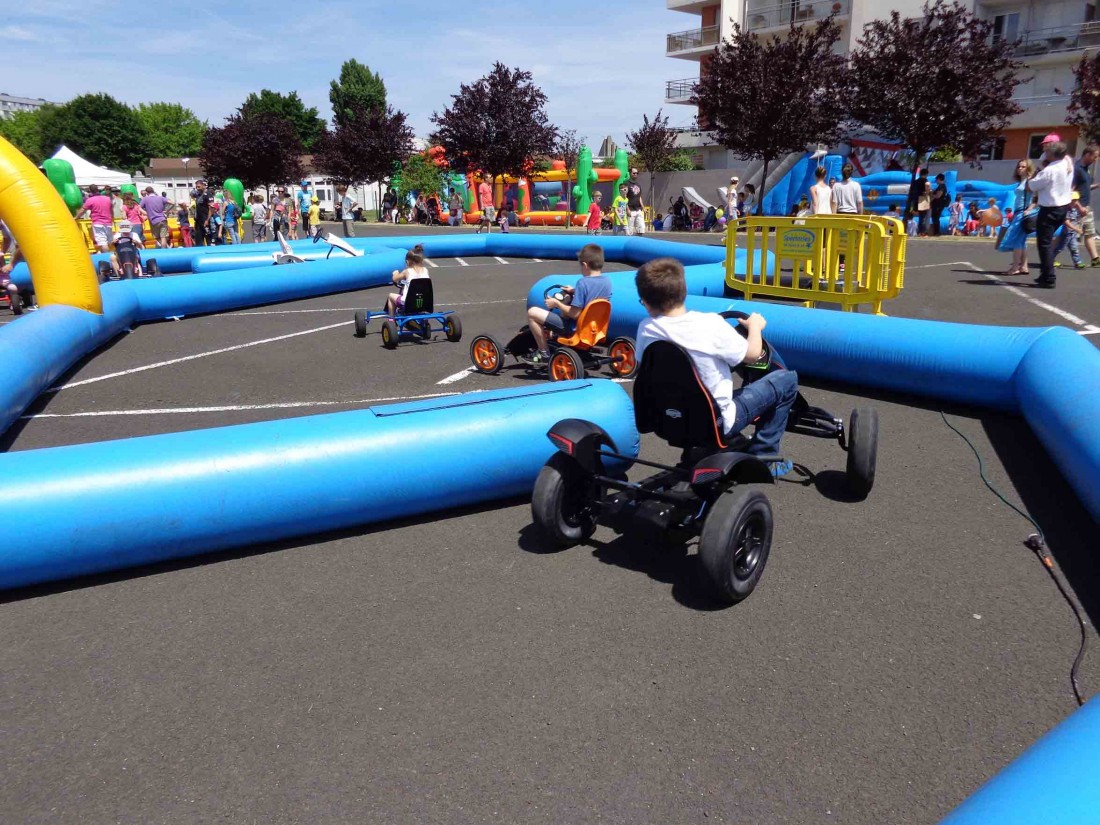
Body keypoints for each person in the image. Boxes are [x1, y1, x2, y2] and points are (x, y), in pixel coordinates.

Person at [634, 257, 798, 477]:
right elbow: (752, 355)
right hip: (718, 421)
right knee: (787, 380)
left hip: (669, 419)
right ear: (684, 291)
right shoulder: (710, 324)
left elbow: (650, 367)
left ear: (645, 301)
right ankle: (764, 456)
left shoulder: (646, 329)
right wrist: (755, 328)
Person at [523, 243, 611, 365]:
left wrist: (556, 304)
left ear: (585, 265)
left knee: (532, 313)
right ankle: (554, 337)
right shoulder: (607, 282)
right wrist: (574, 291)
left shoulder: (583, 283)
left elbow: (575, 314)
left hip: (575, 328)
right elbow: (592, 297)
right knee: (568, 297)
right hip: (593, 328)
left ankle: (544, 353)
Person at [1028, 135, 1075, 288]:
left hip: (1049, 209)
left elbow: (1032, 186)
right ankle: (1044, 275)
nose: (1045, 152)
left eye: (1048, 151)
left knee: (1044, 244)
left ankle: (1049, 277)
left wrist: (1032, 176)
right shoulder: (1067, 165)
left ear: (1052, 154)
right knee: (1047, 243)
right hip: (1062, 208)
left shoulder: (1050, 170)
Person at [384, 244, 431, 317]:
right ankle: (422, 318)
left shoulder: (407, 271)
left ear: (407, 261)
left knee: (390, 296)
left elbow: (394, 279)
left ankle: (391, 318)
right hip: (423, 303)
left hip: (407, 303)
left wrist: (395, 273)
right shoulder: (425, 270)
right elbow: (415, 281)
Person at [1072, 144, 1100, 266]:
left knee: (1090, 233)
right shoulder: (1076, 169)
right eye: (1095, 156)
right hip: (1077, 207)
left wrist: (1096, 185)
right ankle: (1050, 257)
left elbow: (1084, 187)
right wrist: (1079, 207)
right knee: (1066, 235)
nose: (1096, 159)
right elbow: (1071, 191)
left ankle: (1095, 259)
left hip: (1086, 207)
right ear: (1087, 155)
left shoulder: (1085, 170)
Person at [1052, 190, 1087, 270]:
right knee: (1060, 248)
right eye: (1072, 200)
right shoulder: (1066, 210)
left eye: (1075, 200)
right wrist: (1077, 229)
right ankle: (1050, 259)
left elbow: (1080, 216)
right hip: (1065, 233)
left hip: (1072, 234)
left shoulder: (1074, 209)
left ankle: (1078, 262)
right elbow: (1066, 222)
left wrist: (1084, 213)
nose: (1074, 202)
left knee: (1074, 248)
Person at [75, 186, 114, 253]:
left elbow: (82, 210)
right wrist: (112, 218)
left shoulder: (90, 200)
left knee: (102, 242)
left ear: (90, 191)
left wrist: (76, 217)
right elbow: (111, 210)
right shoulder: (107, 199)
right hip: (108, 222)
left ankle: (107, 256)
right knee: (109, 241)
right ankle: (112, 255)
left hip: (98, 223)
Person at [625, 167, 646, 235]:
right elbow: (624, 198)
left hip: (638, 210)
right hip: (631, 210)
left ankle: (639, 241)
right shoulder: (626, 184)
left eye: (637, 173)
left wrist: (643, 208)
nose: (635, 174)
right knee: (629, 231)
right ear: (630, 173)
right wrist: (627, 209)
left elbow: (639, 197)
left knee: (641, 228)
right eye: (634, 173)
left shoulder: (638, 184)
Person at [191, 180, 212, 246]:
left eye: (199, 187)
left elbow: (211, 208)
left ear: (203, 185)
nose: (197, 188)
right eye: (196, 187)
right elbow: (192, 195)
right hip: (198, 220)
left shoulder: (208, 194)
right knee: (198, 239)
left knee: (208, 237)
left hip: (205, 219)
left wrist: (207, 220)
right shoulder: (198, 194)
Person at [914, 171, 932, 236]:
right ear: (926, 174)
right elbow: (927, 188)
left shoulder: (916, 181)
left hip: (916, 199)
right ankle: (923, 232)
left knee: (921, 217)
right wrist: (928, 192)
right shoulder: (925, 181)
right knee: (924, 217)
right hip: (923, 199)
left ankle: (919, 231)